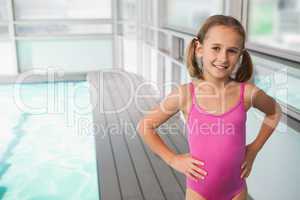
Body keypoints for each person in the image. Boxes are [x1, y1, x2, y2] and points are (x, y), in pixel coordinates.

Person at [138, 15, 282, 200]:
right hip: (199, 193)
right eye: (216, 48)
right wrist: (172, 159)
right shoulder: (185, 94)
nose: (223, 58)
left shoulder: (247, 94)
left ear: (240, 55)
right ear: (199, 49)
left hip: (236, 192)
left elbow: (274, 111)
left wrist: (254, 149)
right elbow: (145, 125)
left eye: (232, 51)